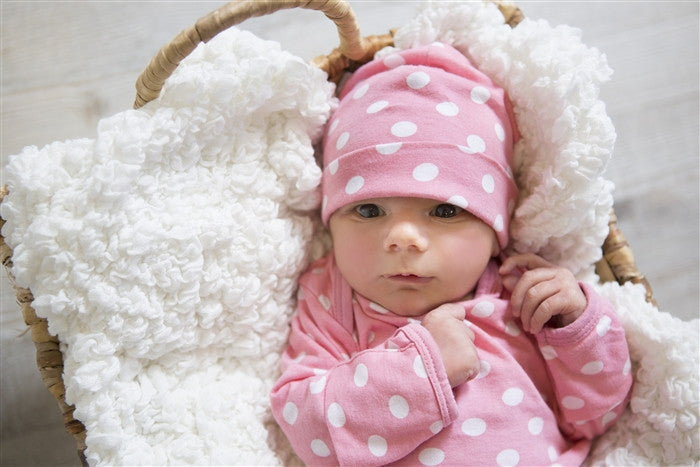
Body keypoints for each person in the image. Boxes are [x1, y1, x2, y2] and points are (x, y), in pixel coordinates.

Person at [270, 43, 632, 466]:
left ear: (496, 227)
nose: (403, 238)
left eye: (444, 211)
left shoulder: (524, 296)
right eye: (368, 210)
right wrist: (421, 371)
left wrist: (578, 328)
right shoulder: (332, 300)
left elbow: (595, 417)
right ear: (330, 220)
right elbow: (309, 429)